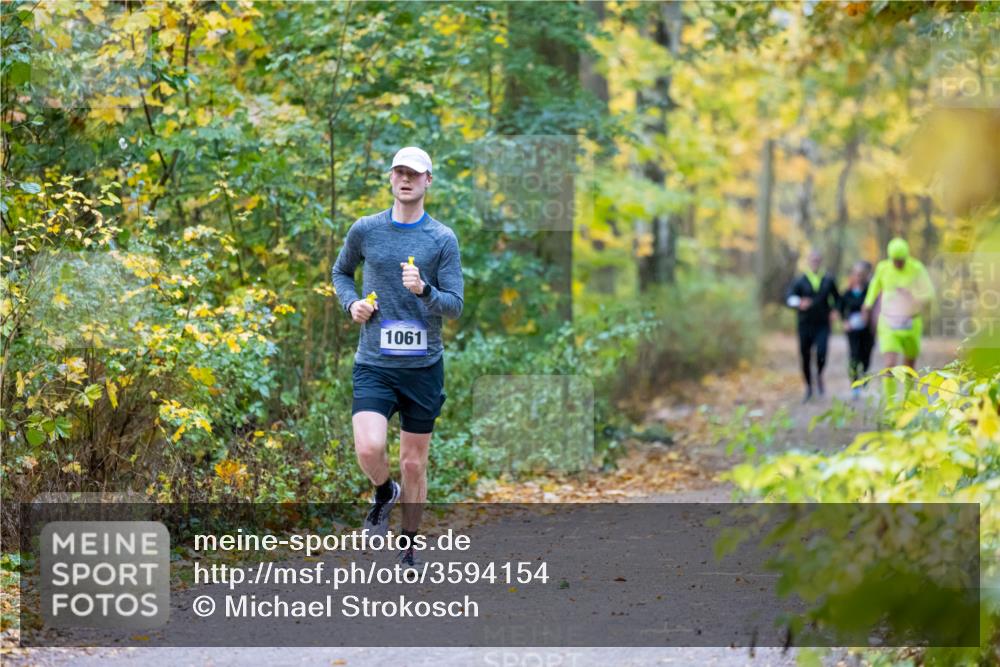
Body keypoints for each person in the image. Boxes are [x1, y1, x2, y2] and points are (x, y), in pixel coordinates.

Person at [331, 146, 464, 568]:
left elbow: (455, 304)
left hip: (423, 367)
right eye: (399, 172)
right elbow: (340, 273)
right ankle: (382, 490)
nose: (406, 179)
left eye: (415, 173)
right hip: (375, 362)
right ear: (391, 179)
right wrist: (351, 304)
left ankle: (408, 544)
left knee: (412, 462)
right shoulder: (366, 230)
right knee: (370, 448)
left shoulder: (441, 239)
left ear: (428, 181)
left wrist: (424, 290)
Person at [862, 237, 934, 373]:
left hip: (911, 321)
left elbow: (929, 293)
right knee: (889, 365)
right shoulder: (883, 268)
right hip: (889, 321)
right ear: (890, 258)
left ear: (906, 257)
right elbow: (874, 288)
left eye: (901, 260)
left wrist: (913, 296)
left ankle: (908, 394)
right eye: (895, 260)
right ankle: (890, 395)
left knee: (909, 367)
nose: (898, 264)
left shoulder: (916, 268)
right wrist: (867, 305)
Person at [785, 249, 841, 402]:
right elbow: (789, 297)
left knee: (822, 352)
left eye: (817, 259)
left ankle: (820, 375)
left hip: (822, 324)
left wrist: (835, 310)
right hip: (805, 324)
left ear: (820, 261)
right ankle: (809, 386)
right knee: (805, 355)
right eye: (812, 259)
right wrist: (799, 303)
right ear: (808, 261)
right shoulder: (800, 280)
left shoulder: (828, 279)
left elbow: (837, 298)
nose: (815, 262)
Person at [838, 260, 875, 399]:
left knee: (866, 355)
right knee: (854, 355)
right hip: (852, 330)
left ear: (866, 276)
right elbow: (841, 307)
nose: (858, 277)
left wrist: (870, 318)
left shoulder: (871, 290)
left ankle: (864, 375)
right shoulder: (847, 292)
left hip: (868, 330)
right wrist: (845, 321)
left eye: (861, 274)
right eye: (856, 274)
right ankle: (855, 384)